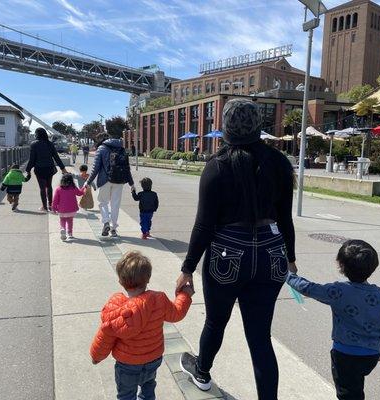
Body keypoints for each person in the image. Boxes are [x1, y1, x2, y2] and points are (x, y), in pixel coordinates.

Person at [175, 99, 296, 398]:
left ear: (226, 127)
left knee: (216, 321)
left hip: (227, 254)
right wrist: (290, 258)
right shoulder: (279, 162)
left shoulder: (217, 166)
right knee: (260, 338)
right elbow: (285, 219)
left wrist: (187, 267)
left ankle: (202, 372)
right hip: (271, 254)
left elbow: (204, 225)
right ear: (258, 126)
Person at [287, 240, 380, 400]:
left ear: (341, 266)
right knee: (355, 386)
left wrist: (287, 275)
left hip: (346, 354)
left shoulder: (338, 291)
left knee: (348, 393)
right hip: (371, 355)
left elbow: (308, 288)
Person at [90, 251, 193, 400]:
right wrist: (184, 295)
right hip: (153, 359)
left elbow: (105, 335)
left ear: (120, 281)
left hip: (127, 364)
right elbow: (177, 313)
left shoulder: (116, 308)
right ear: (148, 279)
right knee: (148, 388)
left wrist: (96, 356)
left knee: (126, 395)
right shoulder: (159, 300)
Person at [85, 132, 135, 237]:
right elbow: (127, 168)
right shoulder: (121, 148)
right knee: (115, 205)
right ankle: (113, 229)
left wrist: (88, 182)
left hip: (105, 180)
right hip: (119, 180)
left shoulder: (101, 149)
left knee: (103, 202)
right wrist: (131, 184)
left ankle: (106, 222)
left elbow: (95, 168)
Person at [26, 127, 67, 212]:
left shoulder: (34, 144)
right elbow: (56, 157)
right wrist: (63, 168)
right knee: (49, 186)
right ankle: (50, 205)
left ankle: (44, 207)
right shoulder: (50, 144)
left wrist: (28, 169)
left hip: (39, 169)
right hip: (49, 168)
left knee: (42, 188)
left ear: (37, 134)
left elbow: (32, 159)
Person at [51, 173, 85, 241]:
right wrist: (84, 187)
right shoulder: (73, 188)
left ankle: (63, 229)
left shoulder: (58, 189)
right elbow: (80, 193)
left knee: (62, 220)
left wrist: (54, 208)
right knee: (70, 221)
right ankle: (70, 234)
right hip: (72, 210)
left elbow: (55, 200)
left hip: (62, 210)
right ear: (71, 181)